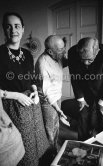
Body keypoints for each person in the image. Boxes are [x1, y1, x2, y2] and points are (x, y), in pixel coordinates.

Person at [0, 12, 50, 166]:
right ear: (3, 30)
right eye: (8, 27)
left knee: (38, 142)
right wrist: (15, 96)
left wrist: (35, 91)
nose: (13, 30)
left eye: (16, 26)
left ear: (22, 29)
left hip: (32, 104)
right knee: (24, 150)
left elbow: (31, 78)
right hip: (12, 106)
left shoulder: (28, 54)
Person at [68, 37, 103, 141]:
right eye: (82, 59)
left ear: (97, 52)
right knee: (83, 115)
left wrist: (102, 102)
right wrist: (80, 98)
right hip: (84, 90)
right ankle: (83, 143)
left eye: (89, 60)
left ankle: (102, 144)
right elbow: (74, 77)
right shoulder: (72, 52)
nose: (85, 63)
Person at [35, 35, 68, 152]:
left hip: (57, 95)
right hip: (48, 101)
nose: (63, 52)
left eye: (63, 48)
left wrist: (65, 47)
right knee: (50, 129)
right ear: (50, 51)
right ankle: (50, 155)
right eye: (60, 49)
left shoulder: (56, 56)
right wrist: (58, 110)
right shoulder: (42, 63)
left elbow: (65, 62)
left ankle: (55, 148)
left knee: (56, 125)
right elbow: (47, 92)